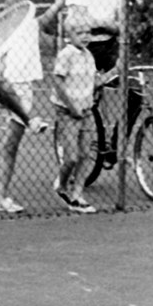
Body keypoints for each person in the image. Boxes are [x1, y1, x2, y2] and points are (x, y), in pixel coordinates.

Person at [0, 0, 82, 213]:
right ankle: (30, 120)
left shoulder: (35, 24)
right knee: (2, 92)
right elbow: (10, 2)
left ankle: (1, 196)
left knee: (11, 145)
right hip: (6, 85)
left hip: (24, 89)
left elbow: (59, 3)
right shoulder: (7, 22)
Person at [65, 0, 136, 163]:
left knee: (135, 91)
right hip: (85, 48)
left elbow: (122, 26)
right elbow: (79, 22)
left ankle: (114, 147)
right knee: (86, 96)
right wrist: (106, 23)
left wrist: (102, 24)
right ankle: (77, 149)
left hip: (109, 46)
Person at [52, 11, 102, 213]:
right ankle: (62, 185)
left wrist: (115, 71)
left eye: (88, 32)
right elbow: (57, 80)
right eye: (80, 32)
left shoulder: (89, 56)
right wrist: (72, 107)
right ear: (69, 35)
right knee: (71, 157)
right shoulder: (66, 54)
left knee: (86, 154)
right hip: (68, 112)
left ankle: (77, 195)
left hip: (87, 111)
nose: (85, 36)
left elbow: (94, 82)